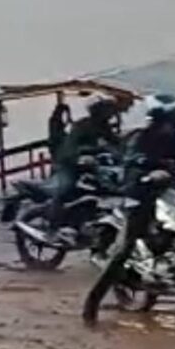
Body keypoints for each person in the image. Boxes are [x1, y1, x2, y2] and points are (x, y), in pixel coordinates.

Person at [82, 94, 175, 326]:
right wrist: (151, 171)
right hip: (140, 193)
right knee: (126, 247)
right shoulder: (142, 137)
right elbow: (134, 160)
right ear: (163, 116)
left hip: (169, 192)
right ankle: (91, 307)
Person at [47, 96, 121, 241]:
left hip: (95, 168)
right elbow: (68, 149)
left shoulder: (105, 127)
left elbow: (116, 144)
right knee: (65, 188)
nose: (110, 112)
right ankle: (54, 228)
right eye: (106, 108)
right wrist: (80, 157)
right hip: (70, 166)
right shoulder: (82, 126)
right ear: (96, 110)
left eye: (110, 109)